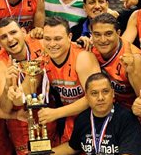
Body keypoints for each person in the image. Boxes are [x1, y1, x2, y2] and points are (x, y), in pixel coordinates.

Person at [0, 17, 47, 155]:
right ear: (0, 42)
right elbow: (5, 107)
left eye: (13, 32)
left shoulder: (41, 45)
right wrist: (8, 85)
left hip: (47, 114)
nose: (10, 39)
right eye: (3, 37)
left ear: (23, 32)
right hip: (21, 121)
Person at [39, 17, 100, 148]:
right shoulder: (43, 59)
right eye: (47, 39)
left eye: (57, 38)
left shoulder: (82, 58)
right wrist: (15, 93)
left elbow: (93, 98)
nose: (52, 44)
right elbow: (26, 94)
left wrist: (56, 113)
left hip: (94, 117)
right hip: (69, 116)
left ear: (69, 37)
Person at [90, 13, 141, 108]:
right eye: (97, 35)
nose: (102, 40)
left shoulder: (134, 57)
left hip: (130, 111)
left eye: (108, 34)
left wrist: (133, 72)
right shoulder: (90, 49)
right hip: (106, 107)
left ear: (118, 33)